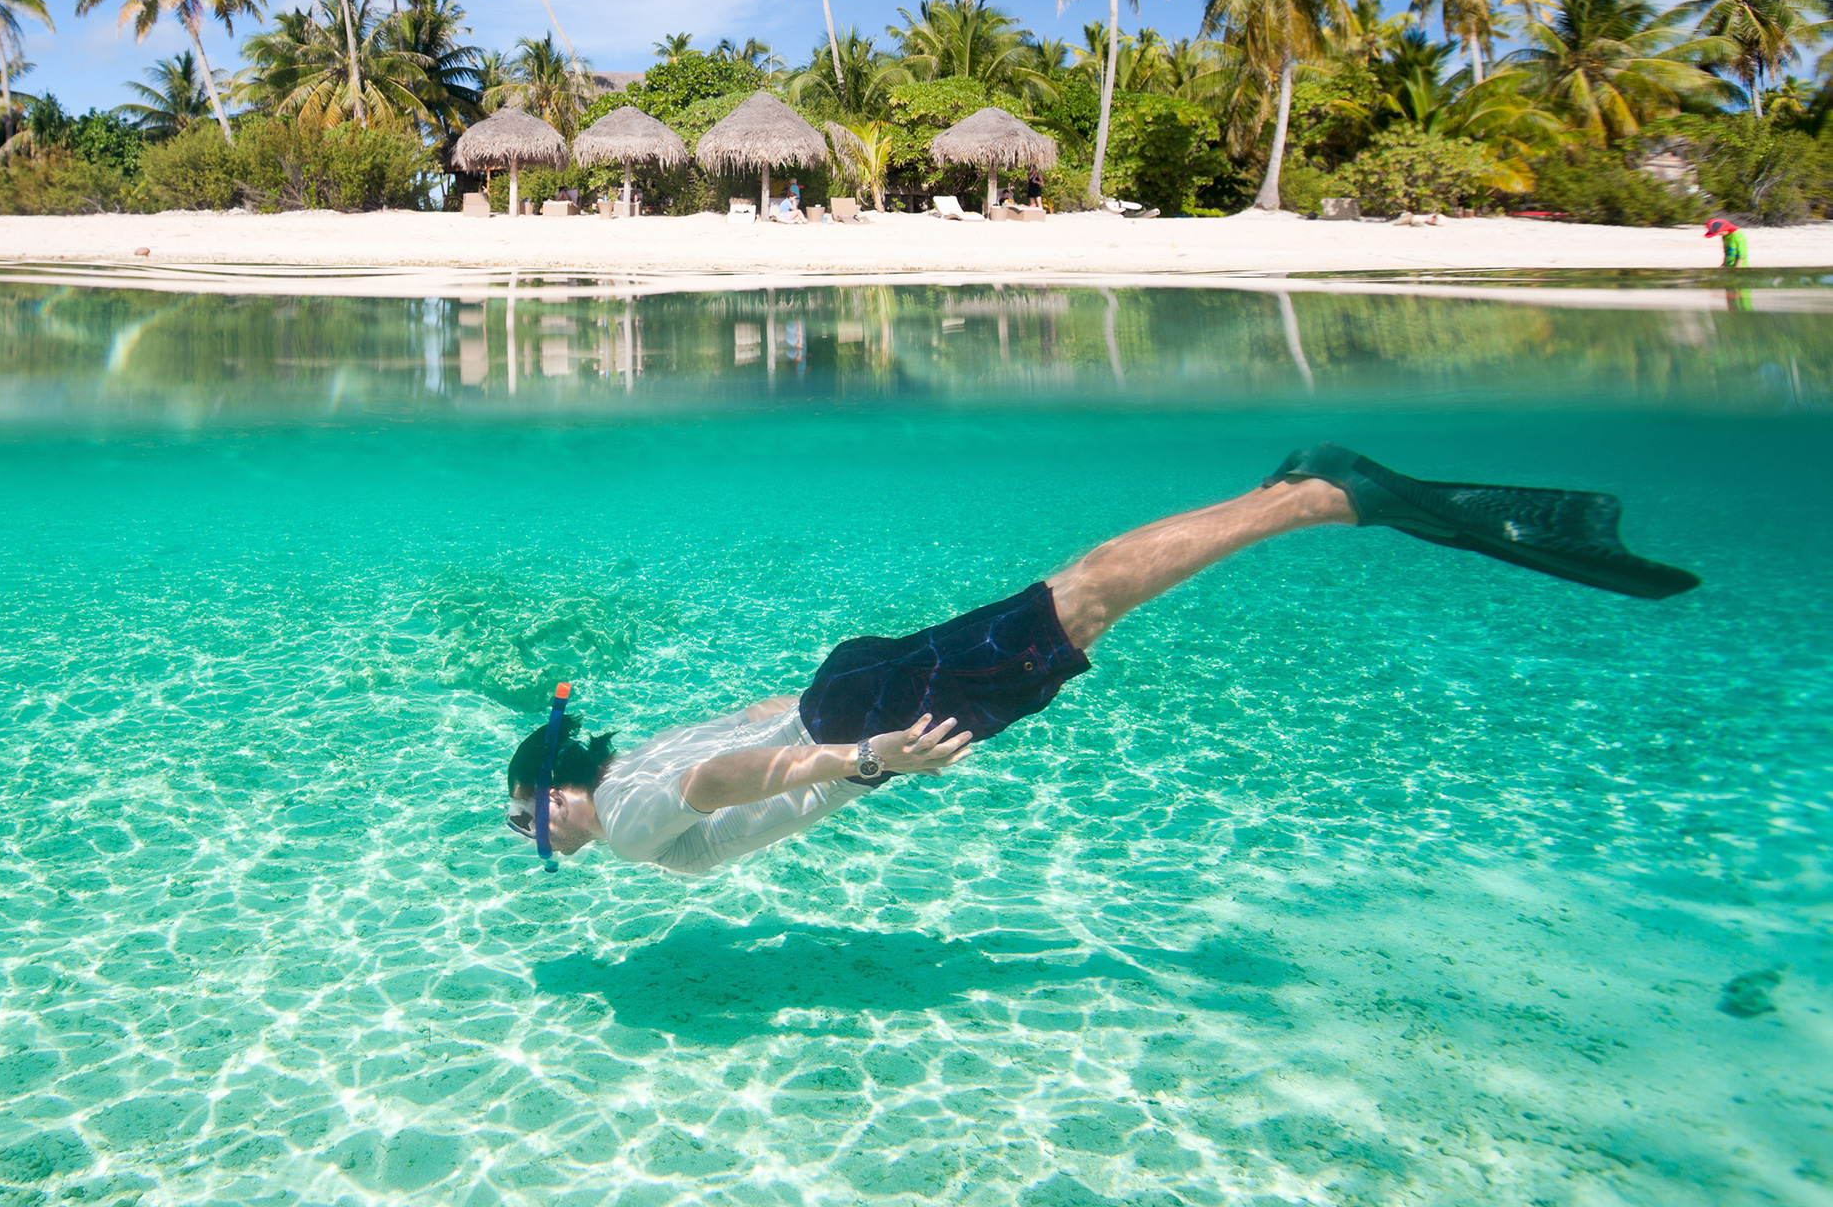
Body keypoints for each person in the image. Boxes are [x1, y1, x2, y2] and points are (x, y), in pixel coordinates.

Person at [503, 443, 1699, 877]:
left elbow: (726, 781)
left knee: (1077, 602)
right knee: (1068, 601)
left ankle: (1324, 494)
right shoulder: (628, 766)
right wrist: (840, 716)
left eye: (527, 816)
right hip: (836, 688)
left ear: (560, 785)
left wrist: (866, 757)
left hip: (859, 717)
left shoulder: (635, 808)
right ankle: (1293, 489)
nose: (537, 836)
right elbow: (739, 727)